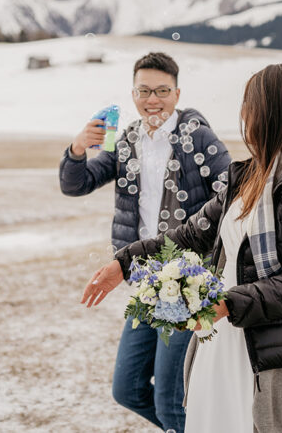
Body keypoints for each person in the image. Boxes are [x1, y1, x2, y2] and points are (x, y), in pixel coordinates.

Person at [83, 63, 282, 433]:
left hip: (273, 343)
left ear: (273, 108)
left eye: (250, 103)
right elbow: (192, 236)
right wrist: (125, 264)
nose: (244, 113)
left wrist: (228, 304)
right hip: (226, 333)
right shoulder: (249, 174)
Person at [60, 51, 232, 432]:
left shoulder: (197, 137)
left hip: (187, 281)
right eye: (144, 91)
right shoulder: (126, 140)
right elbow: (76, 184)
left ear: (177, 92)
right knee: (128, 389)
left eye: (162, 90)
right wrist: (76, 151)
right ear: (133, 94)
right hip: (144, 282)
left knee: (171, 403)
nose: (152, 99)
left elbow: (230, 193)